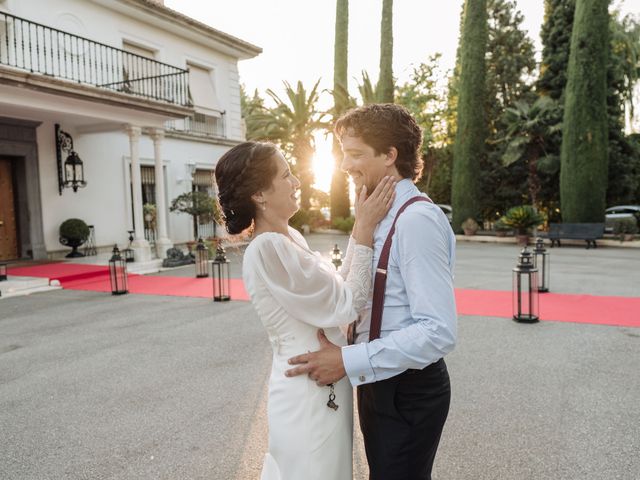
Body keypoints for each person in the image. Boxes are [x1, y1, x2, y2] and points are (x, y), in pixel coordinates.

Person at [286, 104, 457, 480]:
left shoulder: (415, 221)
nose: (345, 165)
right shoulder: (374, 214)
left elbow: (438, 330)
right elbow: (350, 289)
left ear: (390, 155)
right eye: (343, 153)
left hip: (408, 389)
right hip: (377, 380)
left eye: (355, 153)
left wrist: (347, 361)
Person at [214, 141, 396, 480]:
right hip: (307, 390)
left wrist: (359, 227)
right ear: (259, 195)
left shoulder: (291, 238)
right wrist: (367, 232)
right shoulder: (268, 248)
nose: (297, 182)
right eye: (286, 175)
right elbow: (347, 305)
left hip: (324, 381)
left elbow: (336, 289)